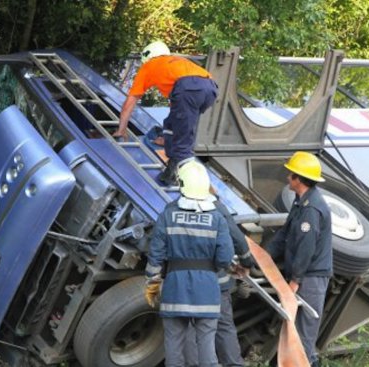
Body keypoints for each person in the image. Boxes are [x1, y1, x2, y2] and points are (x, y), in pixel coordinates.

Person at [145, 160, 233, 367]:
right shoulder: (217, 218)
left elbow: (156, 253)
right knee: (207, 350)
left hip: (175, 289)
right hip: (207, 291)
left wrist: (152, 283)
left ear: (182, 185)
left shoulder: (168, 214)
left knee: (174, 349)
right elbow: (225, 258)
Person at [114, 41, 218, 186]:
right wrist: (168, 138)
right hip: (210, 88)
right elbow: (176, 110)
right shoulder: (176, 63)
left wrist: (121, 129)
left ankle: (182, 179)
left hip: (188, 89)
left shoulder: (149, 66)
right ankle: (167, 143)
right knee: (173, 124)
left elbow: (130, 102)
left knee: (183, 142)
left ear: (148, 57)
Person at [266, 151, 333, 367]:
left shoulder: (311, 209)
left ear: (298, 179)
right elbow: (284, 235)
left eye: (291, 174)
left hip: (311, 278)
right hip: (304, 274)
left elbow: (306, 247)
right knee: (292, 330)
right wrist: (262, 256)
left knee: (303, 335)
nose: (287, 178)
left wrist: (295, 280)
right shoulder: (300, 202)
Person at [184, 198, 255, 367]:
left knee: (189, 329)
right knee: (223, 328)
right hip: (216, 283)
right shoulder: (215, 207)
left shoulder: (174, 207)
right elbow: (236, 238)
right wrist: (246, 262)